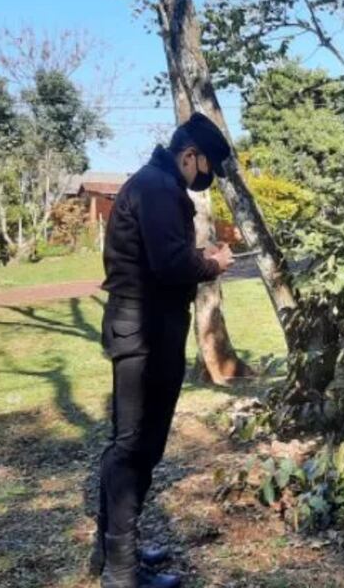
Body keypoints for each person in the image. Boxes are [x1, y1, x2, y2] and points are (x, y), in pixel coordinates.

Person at [91, 113, 235, 588]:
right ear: (188, 154)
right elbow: (171, 263)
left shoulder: (155, 184)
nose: (201, 179)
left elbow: (165, 258)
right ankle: (121, 571)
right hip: (144, 336)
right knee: (133, 447)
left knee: (139, 448)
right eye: (203, 167)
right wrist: (211, 262)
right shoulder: (157, 187)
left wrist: (201, 261)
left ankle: (116, 553)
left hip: (149, 331)